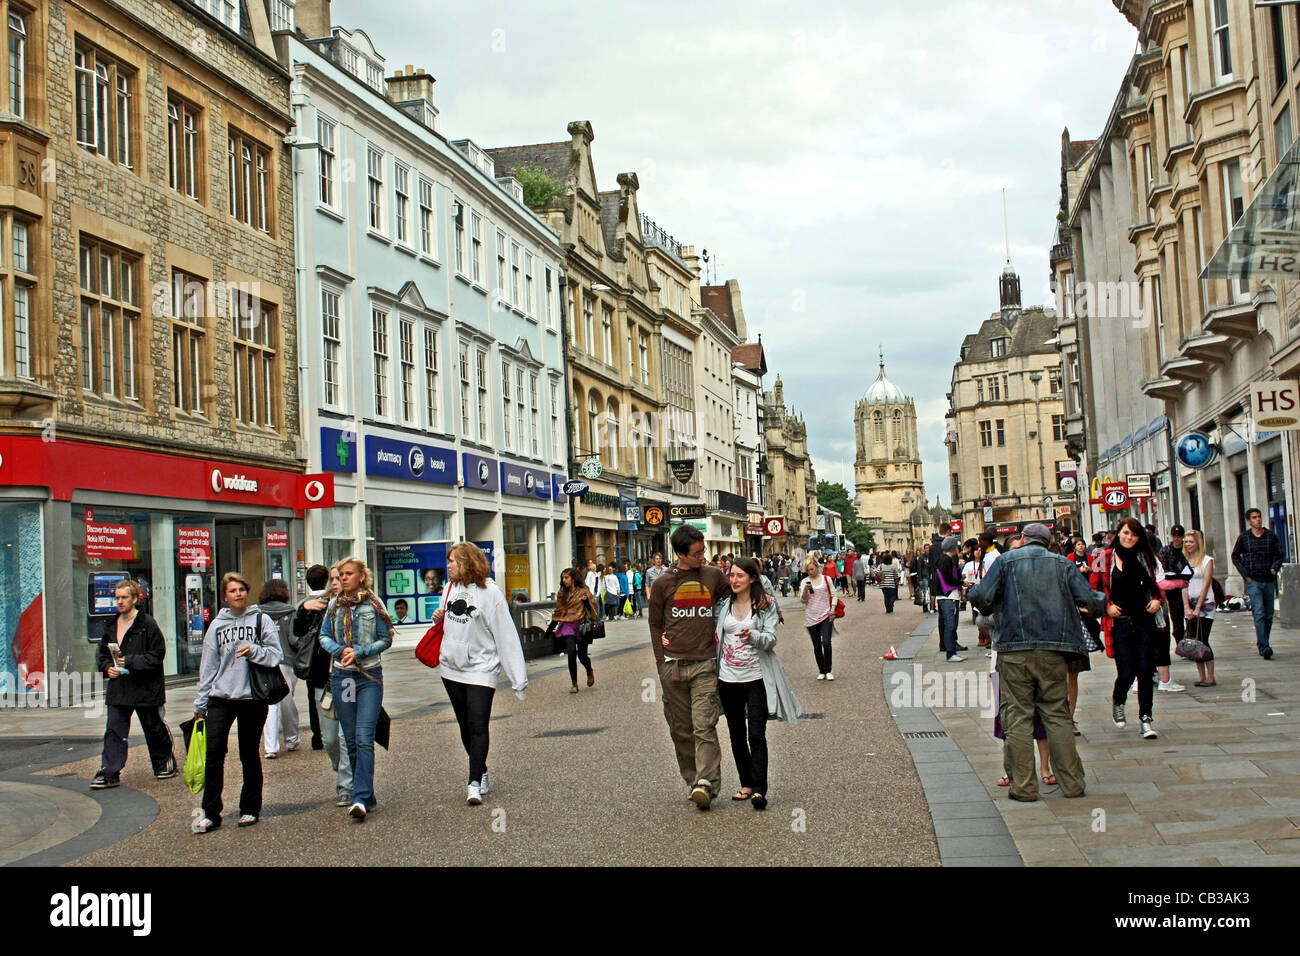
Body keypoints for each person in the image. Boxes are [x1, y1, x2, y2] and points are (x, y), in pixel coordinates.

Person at [969, 523, 1103, 801]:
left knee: (1017, 715)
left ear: (1025, 539)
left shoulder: (1006, 562)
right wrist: (1102, 603)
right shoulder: (1062, 565)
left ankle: (1024, 787)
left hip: (1014, 649)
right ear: (1047, 541)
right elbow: (1090, 598)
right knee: (1056, 713)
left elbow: (982, 598)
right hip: (1054, 649)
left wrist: (978, 597)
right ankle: (1073, 783)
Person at [433, 542, 527, 806]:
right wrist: (438, 616)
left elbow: (505, 636)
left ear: (466, 562)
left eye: (452, 560)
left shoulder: (491, 594)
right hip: (451, 668)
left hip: (481, 668)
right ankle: (482, 768)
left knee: (478, 724)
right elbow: (449, 625)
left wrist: (518, 678)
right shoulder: (449, 588)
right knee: (464, 725)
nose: (448, 565)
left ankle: (474, 782)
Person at [192, 572, 284, 832]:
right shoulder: (217, 625)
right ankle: (211, 812)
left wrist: (254, 651)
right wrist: (201, 702)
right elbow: (208, 666)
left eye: (242, 589)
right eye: (233, 591)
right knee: (214, 754)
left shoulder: (260, 619)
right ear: (225, 595)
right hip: (221, 697)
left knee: (248, 753)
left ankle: (250, 808)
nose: (238, 594)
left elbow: (276, 655)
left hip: (252, 696)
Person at [648, 524, 731, 810]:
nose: (702, 556)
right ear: (681, 554)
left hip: (704, 663)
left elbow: (737, 594)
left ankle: (707, 782)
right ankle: (693, 779)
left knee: (704, 726)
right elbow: (655, 623)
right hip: (673, 665)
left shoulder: (713, 576)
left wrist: (762, 598)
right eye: (697, 553)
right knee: (680, 729)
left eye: (703, 550)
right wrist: (661, 661)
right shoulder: (663, 584)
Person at [715, 556, 801, 810]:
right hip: (728, 677)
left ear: (753, 578)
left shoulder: (765, 605)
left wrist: (753, 636)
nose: (734, 580)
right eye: (731, 575)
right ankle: (746, 783)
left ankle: (760, 789)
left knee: (756, 733)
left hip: (756, 677)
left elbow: (771, 639)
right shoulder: (723, 604)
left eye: (739, 576)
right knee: (736, 734)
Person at [319, 557, 392, 822]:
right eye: (340, 576)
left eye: (349, 574)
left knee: (363, 737)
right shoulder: (334, 605)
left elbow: (386, 638)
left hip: (369, 677)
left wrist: (359, 651)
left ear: (362, 576)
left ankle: (359, 797)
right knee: (349, 739)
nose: (343, 579)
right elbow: (324, 636)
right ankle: (367, 795)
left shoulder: (374, 603)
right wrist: (340, 651)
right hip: (343, 678)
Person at [92, 579, 175, 789]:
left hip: (146, 687)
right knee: (114, 729)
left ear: (135, 599)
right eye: (117, 597)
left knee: (153, 727)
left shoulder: (147, 624)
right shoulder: (111, 625)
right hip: (119, 687)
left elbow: (157, 655)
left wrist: (130, 661)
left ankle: (163, 762)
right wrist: (106, 668)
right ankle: (110, 771)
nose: (120, 601)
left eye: (124, 597)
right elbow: (102, 654)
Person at [295, 563, 352, 806]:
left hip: (349, 677)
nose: (337, 581)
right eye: (333, 578)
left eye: (341, 577)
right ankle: (341, 771)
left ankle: (346, 787)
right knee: (329, 739)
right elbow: (298, 632)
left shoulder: (356, 605)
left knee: (345, 736)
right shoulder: (319, 607)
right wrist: (303, 610)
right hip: (323, 680)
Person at [1104, 518, 1166, 740]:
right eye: (1125, 533)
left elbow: (1158, 586)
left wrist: (1158, 600)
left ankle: (1146, 719)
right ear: (1118, 533)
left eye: (1133, 534)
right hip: (1120, 623)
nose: (1128, 537)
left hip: (1143, 621)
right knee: (1127, 672)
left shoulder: (1147, 558)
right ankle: (1118, 701)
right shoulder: (1104, 558)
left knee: (1145, 671)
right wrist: (1107, 606)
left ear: (1139, 538)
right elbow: (1093, 589)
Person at [1232, 507, 1284, 659]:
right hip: (1253, 580)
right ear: (1249, 521)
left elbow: (1279, 555)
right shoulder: (1245, 538)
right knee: (1259, 612)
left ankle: (1263, 641)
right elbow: (1235, 556)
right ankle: (1264, 646)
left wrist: (1274, 569)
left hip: (1268, 580)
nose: (1258, 520)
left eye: (1259, 517)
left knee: (1268, 615)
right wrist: (1245, 574)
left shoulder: (1270, 536)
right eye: (1254, 517)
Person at [257, 578, 299, 760]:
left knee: (270, 703)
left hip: (265, 661)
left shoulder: (257, 613)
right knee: (287, 700)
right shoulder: (290, 612)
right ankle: (291, 738)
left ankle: (270, 746)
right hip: (286, 660)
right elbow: (293, 639)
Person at [551, 568, 599, 693]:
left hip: (581, 624)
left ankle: (589, 670)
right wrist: (551, 627)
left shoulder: (583, 591)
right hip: (567, 624)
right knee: (571, 651)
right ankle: (574, 683)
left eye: (566, 577)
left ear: (573, 578)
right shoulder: (562, 592)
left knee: (582, 655)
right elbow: (559, 610)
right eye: (563, 578)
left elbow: (593, 608)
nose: (564, 580)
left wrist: (586, 602)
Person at [1183, 529, 1217, 687]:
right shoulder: (1184, 561)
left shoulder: (1207, 560)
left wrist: (1198, 607)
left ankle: (1211, 676)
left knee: (1203, 639)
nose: (1188, 544)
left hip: (1206, 604)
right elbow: (1183, 585)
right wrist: (1187, 607)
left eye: (1191, 541)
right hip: (1189, 604)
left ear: (1198, 543)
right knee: (1193, 641)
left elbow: (1206, 584)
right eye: (1186, 541)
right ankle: (1201, 676)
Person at [799, 555, 836, 680]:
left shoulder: (826, 579)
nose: (811, 572)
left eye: (812, 569)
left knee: (826, 642)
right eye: (808, 570)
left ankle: (829, 670)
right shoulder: (804, 582)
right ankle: (821, 670)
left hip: (826, 614)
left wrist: (833, 610)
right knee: (816, 646)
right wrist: (805, 590)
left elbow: (834, 594)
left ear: (817, 567)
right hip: (811, 616)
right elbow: (803, 600)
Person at [934, 536, 966, 662]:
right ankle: (951, 653)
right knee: (950, 625)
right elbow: (948, 578)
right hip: (949, 596)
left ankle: (951, 651)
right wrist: (961, 582)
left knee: (949, 625)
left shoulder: (941, 559)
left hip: (944, 595)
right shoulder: (947, 560)